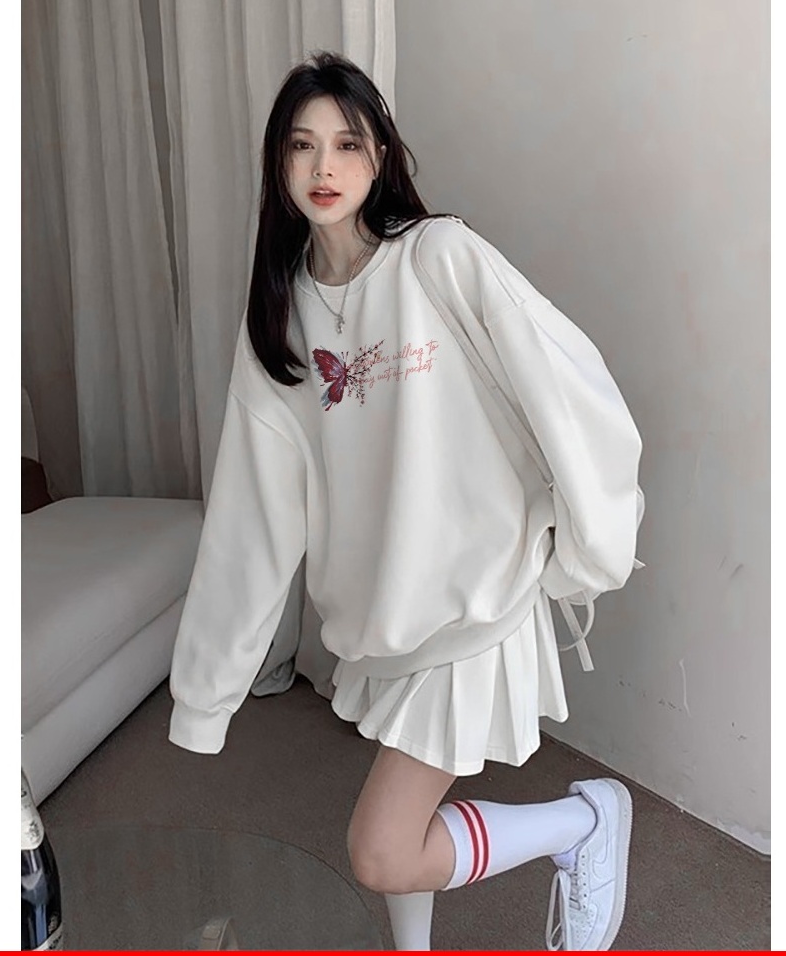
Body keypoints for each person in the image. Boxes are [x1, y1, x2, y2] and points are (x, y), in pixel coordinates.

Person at [168, 51, 643, 951]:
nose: (324, 167)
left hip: (475, 597)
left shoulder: (438, 257)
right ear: (278, 164)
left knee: (383, 849)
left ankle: (584, 825)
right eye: (302, 146)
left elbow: (565, 383)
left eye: (347, 144)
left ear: (380, 156)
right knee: (401, 823)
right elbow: (253, 514)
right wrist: (207, 693)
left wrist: (593, 542)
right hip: (381, 615)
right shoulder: (280, 319)